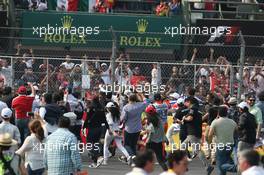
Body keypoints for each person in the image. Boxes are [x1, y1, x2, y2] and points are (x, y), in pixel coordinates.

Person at [180, 97, 214, 175]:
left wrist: (184, 118)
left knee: (197, 150)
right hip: (194, 132)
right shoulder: (198, 111)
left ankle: (208, 166)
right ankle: (184, 165)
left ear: (189, 102)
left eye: (186, 102)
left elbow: (190, 118)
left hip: (192, 133)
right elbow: (199, 119)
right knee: (182, 147)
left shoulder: (192, 109)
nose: (185, 104)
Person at [208, 105, 237, 175]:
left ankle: (237, 168)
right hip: (230, 145)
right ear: (227, 113)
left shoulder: (215, 122)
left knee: (221, 166)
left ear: (218, 113)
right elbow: (236, 132)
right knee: (226, 162)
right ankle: (236, 167)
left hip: (221, 145)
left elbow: (209, 134)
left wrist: (210, 144)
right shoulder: (232, 122)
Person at [82, 96, 107, 168]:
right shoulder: (101, 108)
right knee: (95, 144)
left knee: (89, 144)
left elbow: (87, 120)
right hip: (99, 128)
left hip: (92, 129)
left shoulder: (91, 109)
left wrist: (84, 128)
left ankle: (98, 156)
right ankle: (95, 161)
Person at [121, 93, 148, 157]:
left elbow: (123, 118)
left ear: (128, 99)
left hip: (129, 128)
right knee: (134, 144)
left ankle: (132, 155)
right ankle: (134, 157)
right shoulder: (140, 105)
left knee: (126, 145)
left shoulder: (126, 107)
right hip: (138, 128)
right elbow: (147, 102)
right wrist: (142, 95)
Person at [142, 105, 168, 171]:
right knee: (161, 160)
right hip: (158, 142)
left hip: (150, 142)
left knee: (146, 159)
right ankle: (167, 172)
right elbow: (162, 131)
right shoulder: (159, 119)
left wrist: (146, 141)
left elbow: (150, 132)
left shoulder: (149, 121)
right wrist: (165, 139)